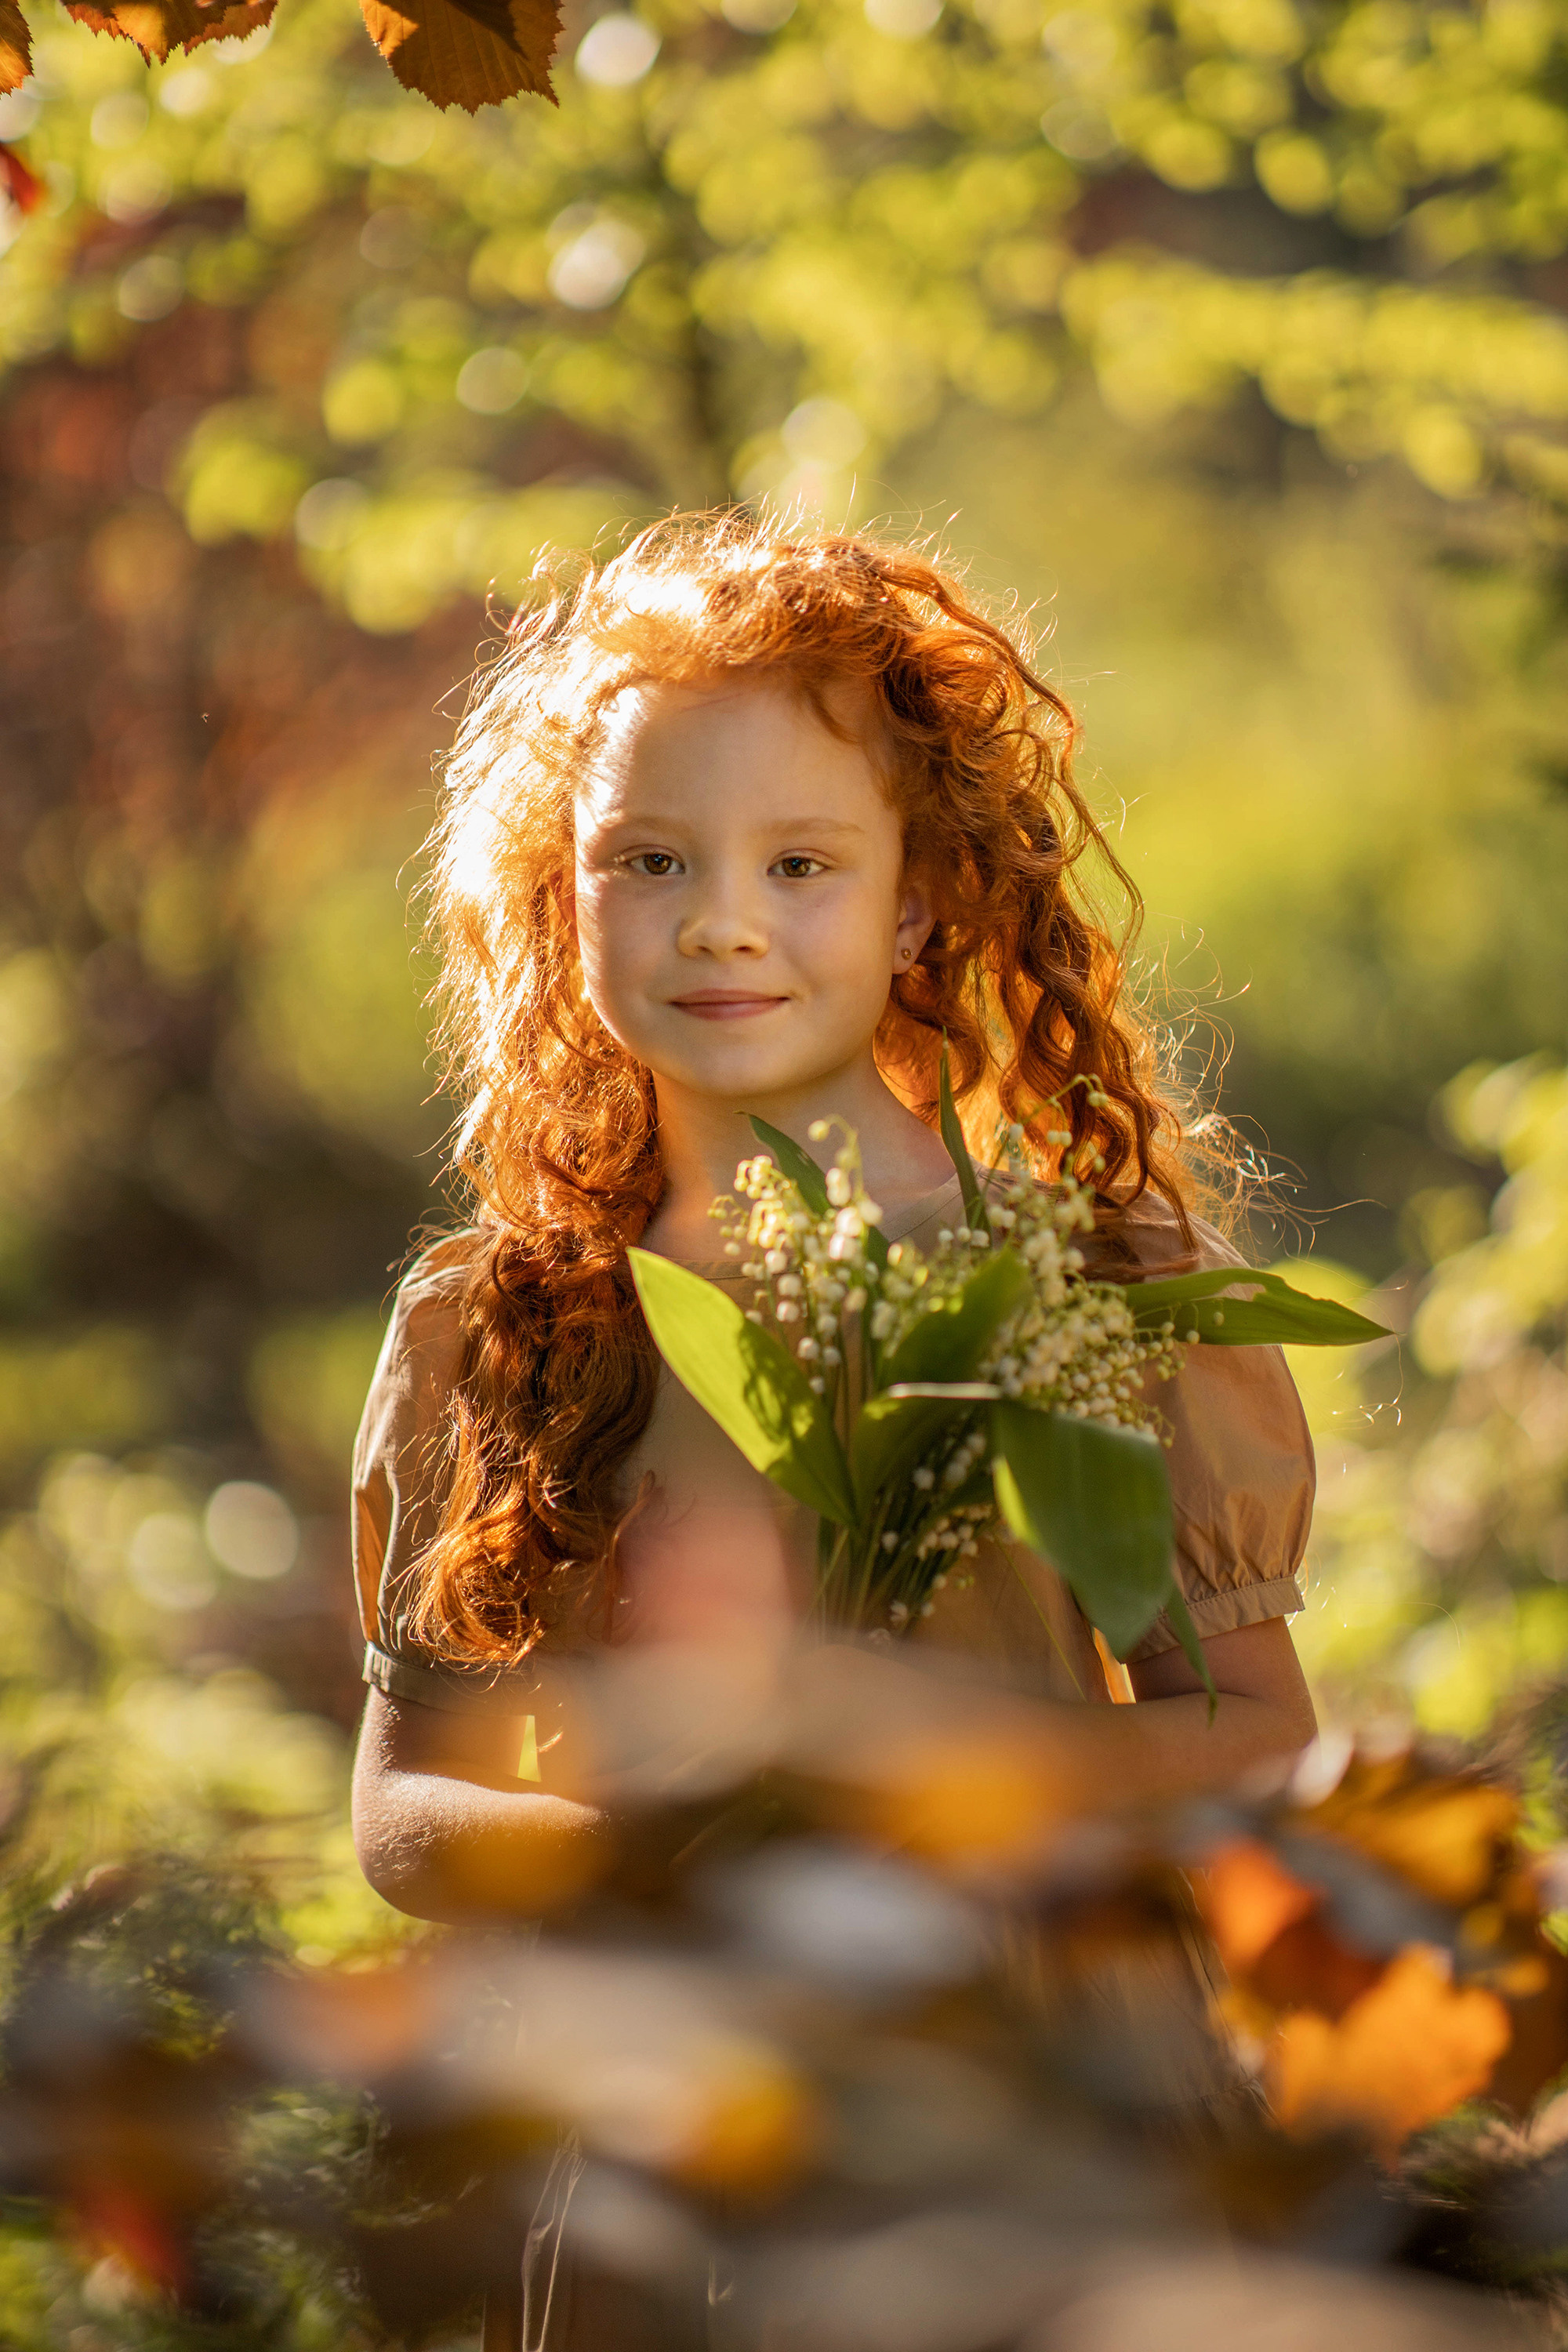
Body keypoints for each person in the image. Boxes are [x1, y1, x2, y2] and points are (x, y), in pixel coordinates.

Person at [349, 515, 1319, 1930]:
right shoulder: (509, 1325)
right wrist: (660, 1838)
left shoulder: (1086, 1286)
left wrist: (905, 1772)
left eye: (800, 866)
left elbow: (1262, 1744)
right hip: (684, 2075)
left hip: (1034, 2065)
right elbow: (402, 1813)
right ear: (566, 896)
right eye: (651, 861)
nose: (722, 924)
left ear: (916, 906)